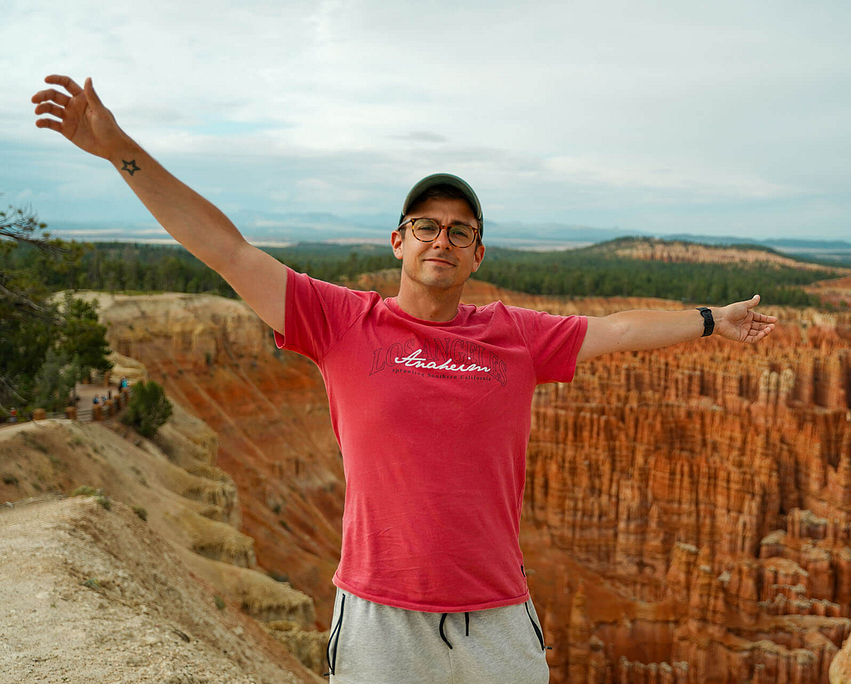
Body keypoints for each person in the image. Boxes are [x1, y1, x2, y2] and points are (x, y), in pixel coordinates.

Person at [32, 75, 777, 684]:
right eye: (426, 224)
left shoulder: (515, 335)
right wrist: (118, 150)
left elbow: (616, 331)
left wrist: (715, 318)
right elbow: (224, 248)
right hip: (380, 620)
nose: (441, 239)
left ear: (477, 255)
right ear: (398, 240)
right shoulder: (341, 323)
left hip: (496, 620)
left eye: (459, 230)